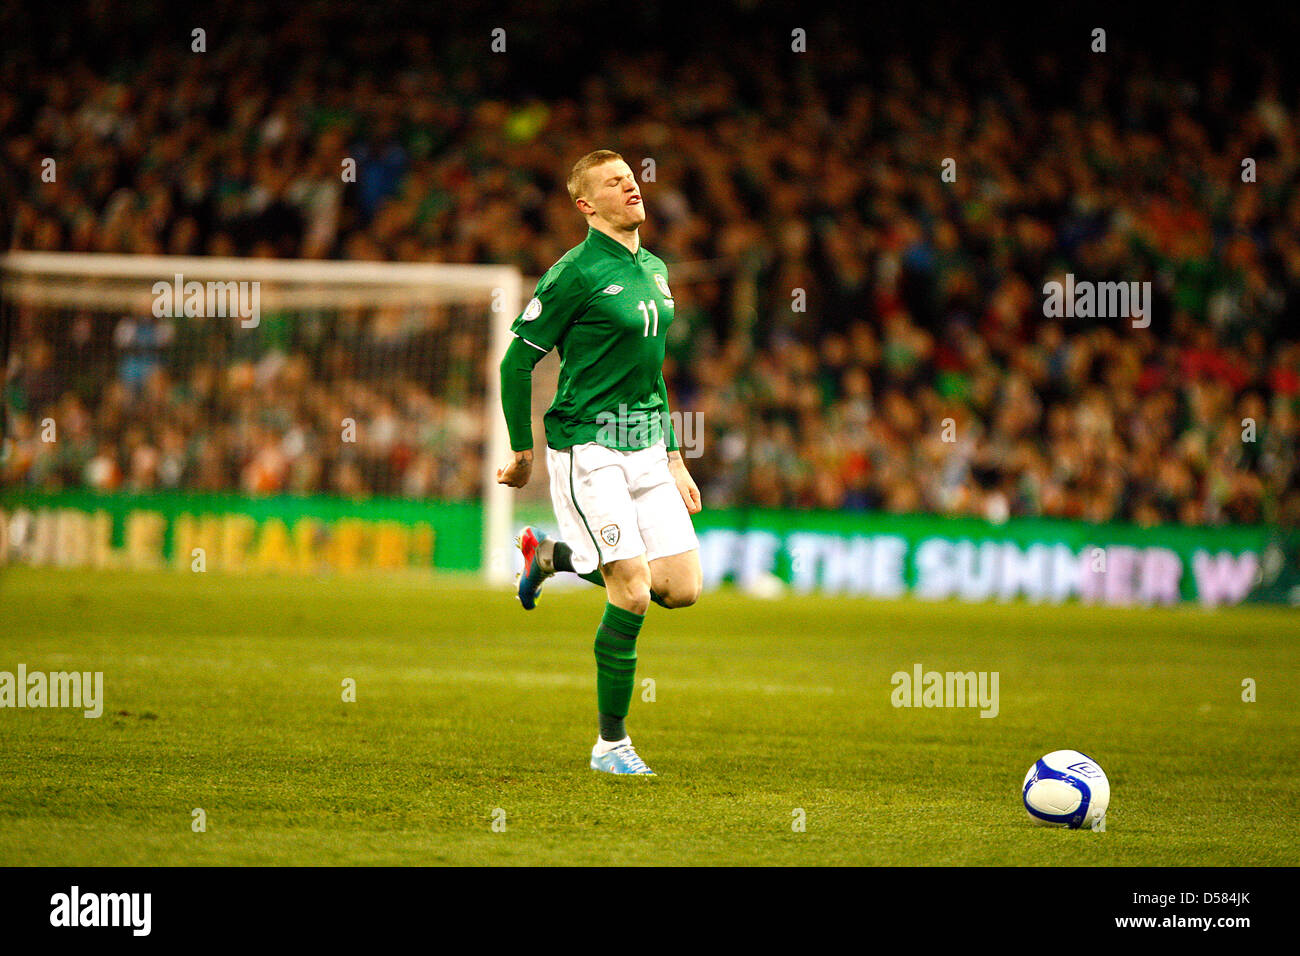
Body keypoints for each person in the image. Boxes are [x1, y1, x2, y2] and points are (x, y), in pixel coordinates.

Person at [497, 149, 703, 776]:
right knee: (634, 592)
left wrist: (674, 455)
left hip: (646, 446)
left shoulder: (656, 269)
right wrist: (522, 448)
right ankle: (611, 745)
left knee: (681, 589)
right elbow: (516, 363)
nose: (631, 188)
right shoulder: (574, 274)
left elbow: (651, 369)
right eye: (614, 183)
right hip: (589, 447)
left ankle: (551, 556)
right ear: (587, 205)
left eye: (632, 178)